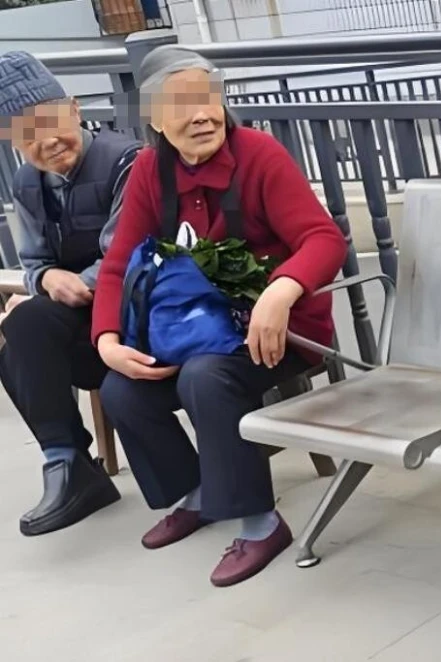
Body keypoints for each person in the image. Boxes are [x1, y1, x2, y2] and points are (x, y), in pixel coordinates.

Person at [91, 46, 347, 587]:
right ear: (155, 118)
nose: (203, 115)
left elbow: (323, 239)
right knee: (121, 388)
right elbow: (118, 264)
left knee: (205, 378)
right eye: (182, 105)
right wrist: (108, 339)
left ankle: (260, 523)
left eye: (209, 99)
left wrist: (280, 292)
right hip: (193, 327)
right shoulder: (150, 169)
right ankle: (199, 493)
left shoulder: (258, 153)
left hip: (277, 332)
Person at [0, 51, 141, 537]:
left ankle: (74, 470)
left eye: (52, 122)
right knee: (17, 331)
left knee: (26, 325)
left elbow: (129, 253)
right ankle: (67, 462)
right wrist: (45, 282)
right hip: (84, 323)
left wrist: (75, 283)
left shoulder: (127, 161)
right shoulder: (27, 182)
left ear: (75, 109)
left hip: (138, 314)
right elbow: (34, 261)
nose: (47, 142)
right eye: (27, 134)